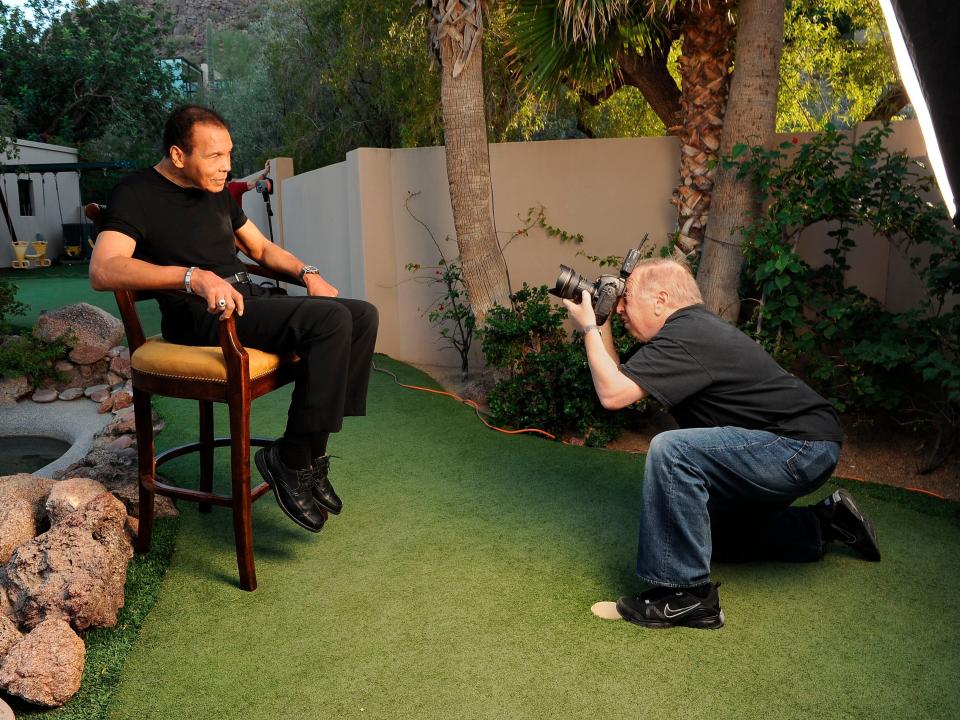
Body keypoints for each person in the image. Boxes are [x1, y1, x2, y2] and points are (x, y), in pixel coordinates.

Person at [90, 105, 378, 534]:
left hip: (246, 298)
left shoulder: (216, 190)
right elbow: (104, 268)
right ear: (178, 154)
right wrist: (193, 278)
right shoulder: (136, 193)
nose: (226, 166)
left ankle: (308, 456)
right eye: (214, 156)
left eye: (228, 154)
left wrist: (308, 274)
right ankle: (291, 459)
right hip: (199, 315)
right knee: (332, 323)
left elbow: (261, 250)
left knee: (362, 315)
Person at [562, 258, 880, 630]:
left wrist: (587, 327)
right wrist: (600, 323)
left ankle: (688, 597)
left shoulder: (687, 336)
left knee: (672, 450)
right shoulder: (686, 331)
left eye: (626, 299)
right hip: (797, 446)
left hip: (797, 447)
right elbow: (615, 377)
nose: (621, 307)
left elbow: (612, 395)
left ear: (661, 300)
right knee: (709, 536)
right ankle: (826, 523)